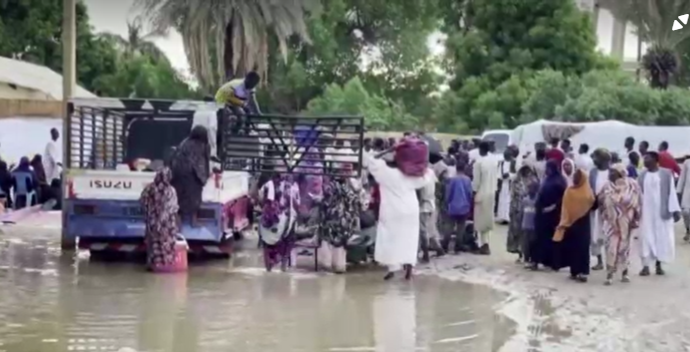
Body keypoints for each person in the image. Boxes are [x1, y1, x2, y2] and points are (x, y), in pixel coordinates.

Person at [364, 150, 433, 281]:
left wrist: (387, 150)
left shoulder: (384, 173)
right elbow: (426, 176)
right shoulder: (409, 175)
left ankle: (392, 270)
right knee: (409, 239)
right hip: (410, 210)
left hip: (391, 211)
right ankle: (409, 268)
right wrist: (423, 162)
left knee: (391, 239)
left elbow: (369, 159)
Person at [638, 151, 681, 276]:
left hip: (662, 213)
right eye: (644, 158)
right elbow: (637, 194)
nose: (645, 160)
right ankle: (645, 266)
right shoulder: (642, 175)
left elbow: (671, 192)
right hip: (646, 213)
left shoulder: (666, 174)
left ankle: (658, 265)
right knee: (645, 238)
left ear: (655, 160)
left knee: (661, 238)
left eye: (647, 158)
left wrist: (675, 211)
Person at [599, 163, 642, 285]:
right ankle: (610, 274)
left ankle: (625, 272)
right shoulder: (607, 186)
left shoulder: (632, 185)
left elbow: (638, 202)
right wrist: (605, 214)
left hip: (627, 223)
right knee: (611, 247)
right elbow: (600, 201)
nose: (609, 173)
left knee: (625, 247)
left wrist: (636, 219)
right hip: (611, 223)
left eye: (613, 171)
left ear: (620, 173)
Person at [553, 169, 595, 282]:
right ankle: (574, 271)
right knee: (572, 247)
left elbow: (593, 204)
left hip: (583, 223)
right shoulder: (569, 191)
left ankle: (583, 272)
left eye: (577, 176)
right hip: (571, 223)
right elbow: (565, 208)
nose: (575, 178)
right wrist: (564, 222)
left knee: (583, 247)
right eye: (574, 176)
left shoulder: (588, 192)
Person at [140, 167, 179, 271]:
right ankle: (166, 267)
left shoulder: (149, 188)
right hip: (167, 225)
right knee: (167, 245)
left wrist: (151, 214)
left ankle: (153, 266)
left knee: (153, 245)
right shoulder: (170, 190)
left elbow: (143, 202)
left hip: (152, 223)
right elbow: (173, 208)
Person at [171, 125, 211, 227]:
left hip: (177, 175)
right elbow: (199, 164)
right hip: (190, 176)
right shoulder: (199, 145)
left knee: (178, 199)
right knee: (194, 199)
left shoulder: (184, 142)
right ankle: (194, 221)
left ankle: (177, 224)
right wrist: (204, 178)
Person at [258, 173, 300, 272]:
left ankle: (279, 263)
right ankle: (278, 264)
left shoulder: (292, 187)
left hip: (279, 218)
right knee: (282, 239)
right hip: (274, 219)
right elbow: (269, 201)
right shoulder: (272, 186)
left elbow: (297, 206)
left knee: (284, 240)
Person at [531, 160, 567, 271]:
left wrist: (553, 207)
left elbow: (563, 198)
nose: (546, 170)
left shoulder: (559, 181)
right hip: (542, 214)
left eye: (547, 168)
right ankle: (537, 261)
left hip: (552, 215)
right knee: (539, 237)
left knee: (551, 238)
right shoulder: (548, 179)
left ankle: (553, 263)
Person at [507, 164, 538, 261]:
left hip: (528, 211)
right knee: (517, 232)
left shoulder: (533, 181)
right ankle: (520, 252)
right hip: (517, 210)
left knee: (526, 234)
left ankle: (525, 253)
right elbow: (517, 195)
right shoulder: (516, 181)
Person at [472, 141, 499, 255]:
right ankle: (485, 242)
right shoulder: (494, 161)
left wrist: (473, 193)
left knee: (480, 220)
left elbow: (476, 182)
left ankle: (483, 245)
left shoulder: (478, 163)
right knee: (488, 219)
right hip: (492, 192)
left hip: (481, 193)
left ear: (480, 149)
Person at [443, 160, 474, 254]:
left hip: (453, 206)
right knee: (461, 227)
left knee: (449, 226)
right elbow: (470, 193)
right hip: (464, 207)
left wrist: (446, 203)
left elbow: (448, 194)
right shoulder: (468, 180)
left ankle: (445, 246)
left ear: (456, 168)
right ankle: (458, 246)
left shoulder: (452, 180)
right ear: (464, 169)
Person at [588, 148, 611, 271]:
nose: (594, 160)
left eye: (596, 158)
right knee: (595, 235)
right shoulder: (592, 172)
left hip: (609, 209)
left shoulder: (612, 172)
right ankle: (599, 261)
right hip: (595, 208)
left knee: (609, 235)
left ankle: (610, 262)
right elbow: (589, 188)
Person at [418, 164, 443, 262]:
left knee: (423, 230)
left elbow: (419, 191)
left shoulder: (419, 174)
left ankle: (426, 254)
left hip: (423, 205)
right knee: (429, 228)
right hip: (431, 203)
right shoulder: (430, 171)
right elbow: (437, 184)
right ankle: (438, 248)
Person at [520, 182, 539, 267]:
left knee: (532, 243)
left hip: (533, 226)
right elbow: (521, 213)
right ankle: (526, 258)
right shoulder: (525, 200)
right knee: (525, 244)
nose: (530, 190)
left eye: (532, 188)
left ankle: (532, 259)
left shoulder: (538, 200)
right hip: (525, 225)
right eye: (529, 188)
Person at [496, 149, 516, 224]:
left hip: (511, 184)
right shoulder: (501, 163)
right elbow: (498, 175)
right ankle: (502, 217)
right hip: (503, 184)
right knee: (502, 201)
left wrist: (509, 175)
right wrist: (501, 179)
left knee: (509, 201)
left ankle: (508, 218)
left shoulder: (514, 162)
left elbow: (517, 174)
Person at [678, 156, 690, 239]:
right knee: (685, 213)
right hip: (687, 192)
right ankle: (688, 229)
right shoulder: (687, 162)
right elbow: (682, 178)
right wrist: (678, 191)